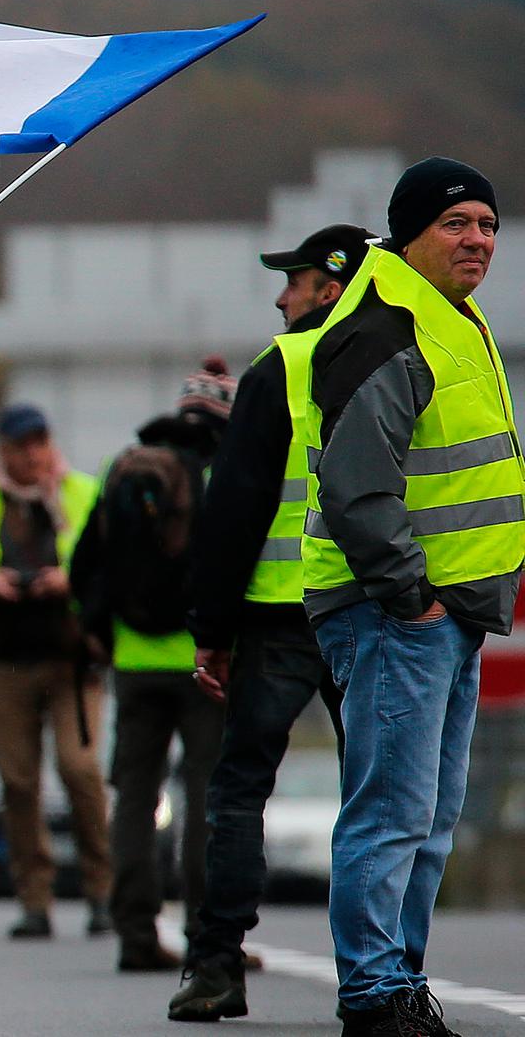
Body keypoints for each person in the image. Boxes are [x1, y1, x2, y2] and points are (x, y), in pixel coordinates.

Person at [297, 159, 519, 1037]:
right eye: (457, 224)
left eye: (488, 225)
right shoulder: (385, 326)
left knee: (425, 818)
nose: (479, 241)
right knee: (391, 812)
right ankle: (374, 993)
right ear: (410, 231)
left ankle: (399, 982)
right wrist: (410, 597)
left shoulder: (449, 316)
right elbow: (358, 488)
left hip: (448, 612)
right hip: (398, 611)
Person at [168, 224, 369, 1023]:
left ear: (328, 285)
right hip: (382, 612)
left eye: (292, 282)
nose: (282, 297)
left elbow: (236, 505)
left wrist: (211, 627)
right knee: (386, 794)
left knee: (241, 788)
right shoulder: (419, 357)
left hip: (282, 612)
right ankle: (386, 970)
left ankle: (217, 967)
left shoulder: (281, 367)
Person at [71, 362, 237, 973]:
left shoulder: (126, 468)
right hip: (207, 660)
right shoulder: (224, 473)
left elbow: (84, 561)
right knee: (207, 797)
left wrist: (97, 631)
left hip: (133, 660)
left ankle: (135, 933)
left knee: (134, 798)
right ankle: (207, 936)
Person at [0, 404, 112, 941]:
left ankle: (101, 891)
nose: (33, 455)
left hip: (73, 659)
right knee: (18, 781)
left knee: (79, 767)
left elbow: (108, 564)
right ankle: (35, 899)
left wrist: (68, 581)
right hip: (7, 658)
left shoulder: (84, 495)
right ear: (2, 450)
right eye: (22, 446)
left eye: (40, 443)